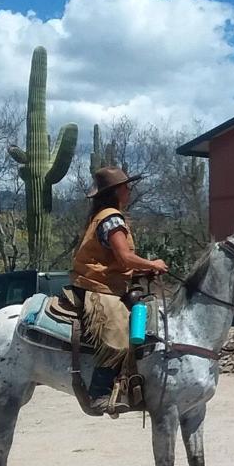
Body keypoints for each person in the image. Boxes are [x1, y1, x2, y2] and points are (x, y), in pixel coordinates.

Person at [71, 166, 169, 414]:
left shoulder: (103, 216)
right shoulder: (112, 218)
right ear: (117, 191)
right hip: (99, 287)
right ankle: (100, 393)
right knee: (119, 333)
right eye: (127, 186)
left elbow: (115, 262)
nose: (130, 190)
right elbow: (125, 258)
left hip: (108, 282)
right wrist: (152, 264)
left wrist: (142, 270)